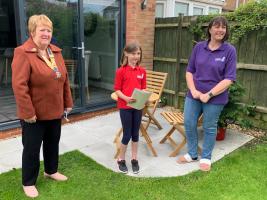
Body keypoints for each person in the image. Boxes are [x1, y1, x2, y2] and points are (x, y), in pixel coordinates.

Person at [12, 14, 73, 198]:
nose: (46, 33)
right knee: (31, 148)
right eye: (42, 30)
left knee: (52, 143)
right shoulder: (23, 52)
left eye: (49, 30)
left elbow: (64, 79)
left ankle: (51, 171)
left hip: (55, 110)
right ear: (32, 32)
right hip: (34, 114)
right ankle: (28, 182)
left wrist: (68, 102)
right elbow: (19, 86)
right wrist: (27, 112)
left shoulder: (55, 52)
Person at [177, 16, 236, 171]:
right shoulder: (199, 47)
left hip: (215, 98)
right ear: (209, 29)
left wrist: (208, 94)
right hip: (194, 95)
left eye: (223, 27)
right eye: (217, 26)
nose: (220, 30)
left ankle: (206, 157)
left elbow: (229, 79)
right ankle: (192, 154)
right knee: (189, 123)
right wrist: (194, 90)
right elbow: (189, 71)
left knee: (209, 127)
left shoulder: (229, 51)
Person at [113, 42, 146, 174]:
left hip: (137, 107)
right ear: (126, 54)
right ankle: (121, 159)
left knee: (135, 134)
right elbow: (117, 90)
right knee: (127, 134)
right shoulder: (121, 71)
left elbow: (143, 88)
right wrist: (126, 98)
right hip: (125, 106)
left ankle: (134, 158)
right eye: (133, 53)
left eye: (138, 53)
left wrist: (144, 96)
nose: (136, 56)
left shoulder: (142, 71)